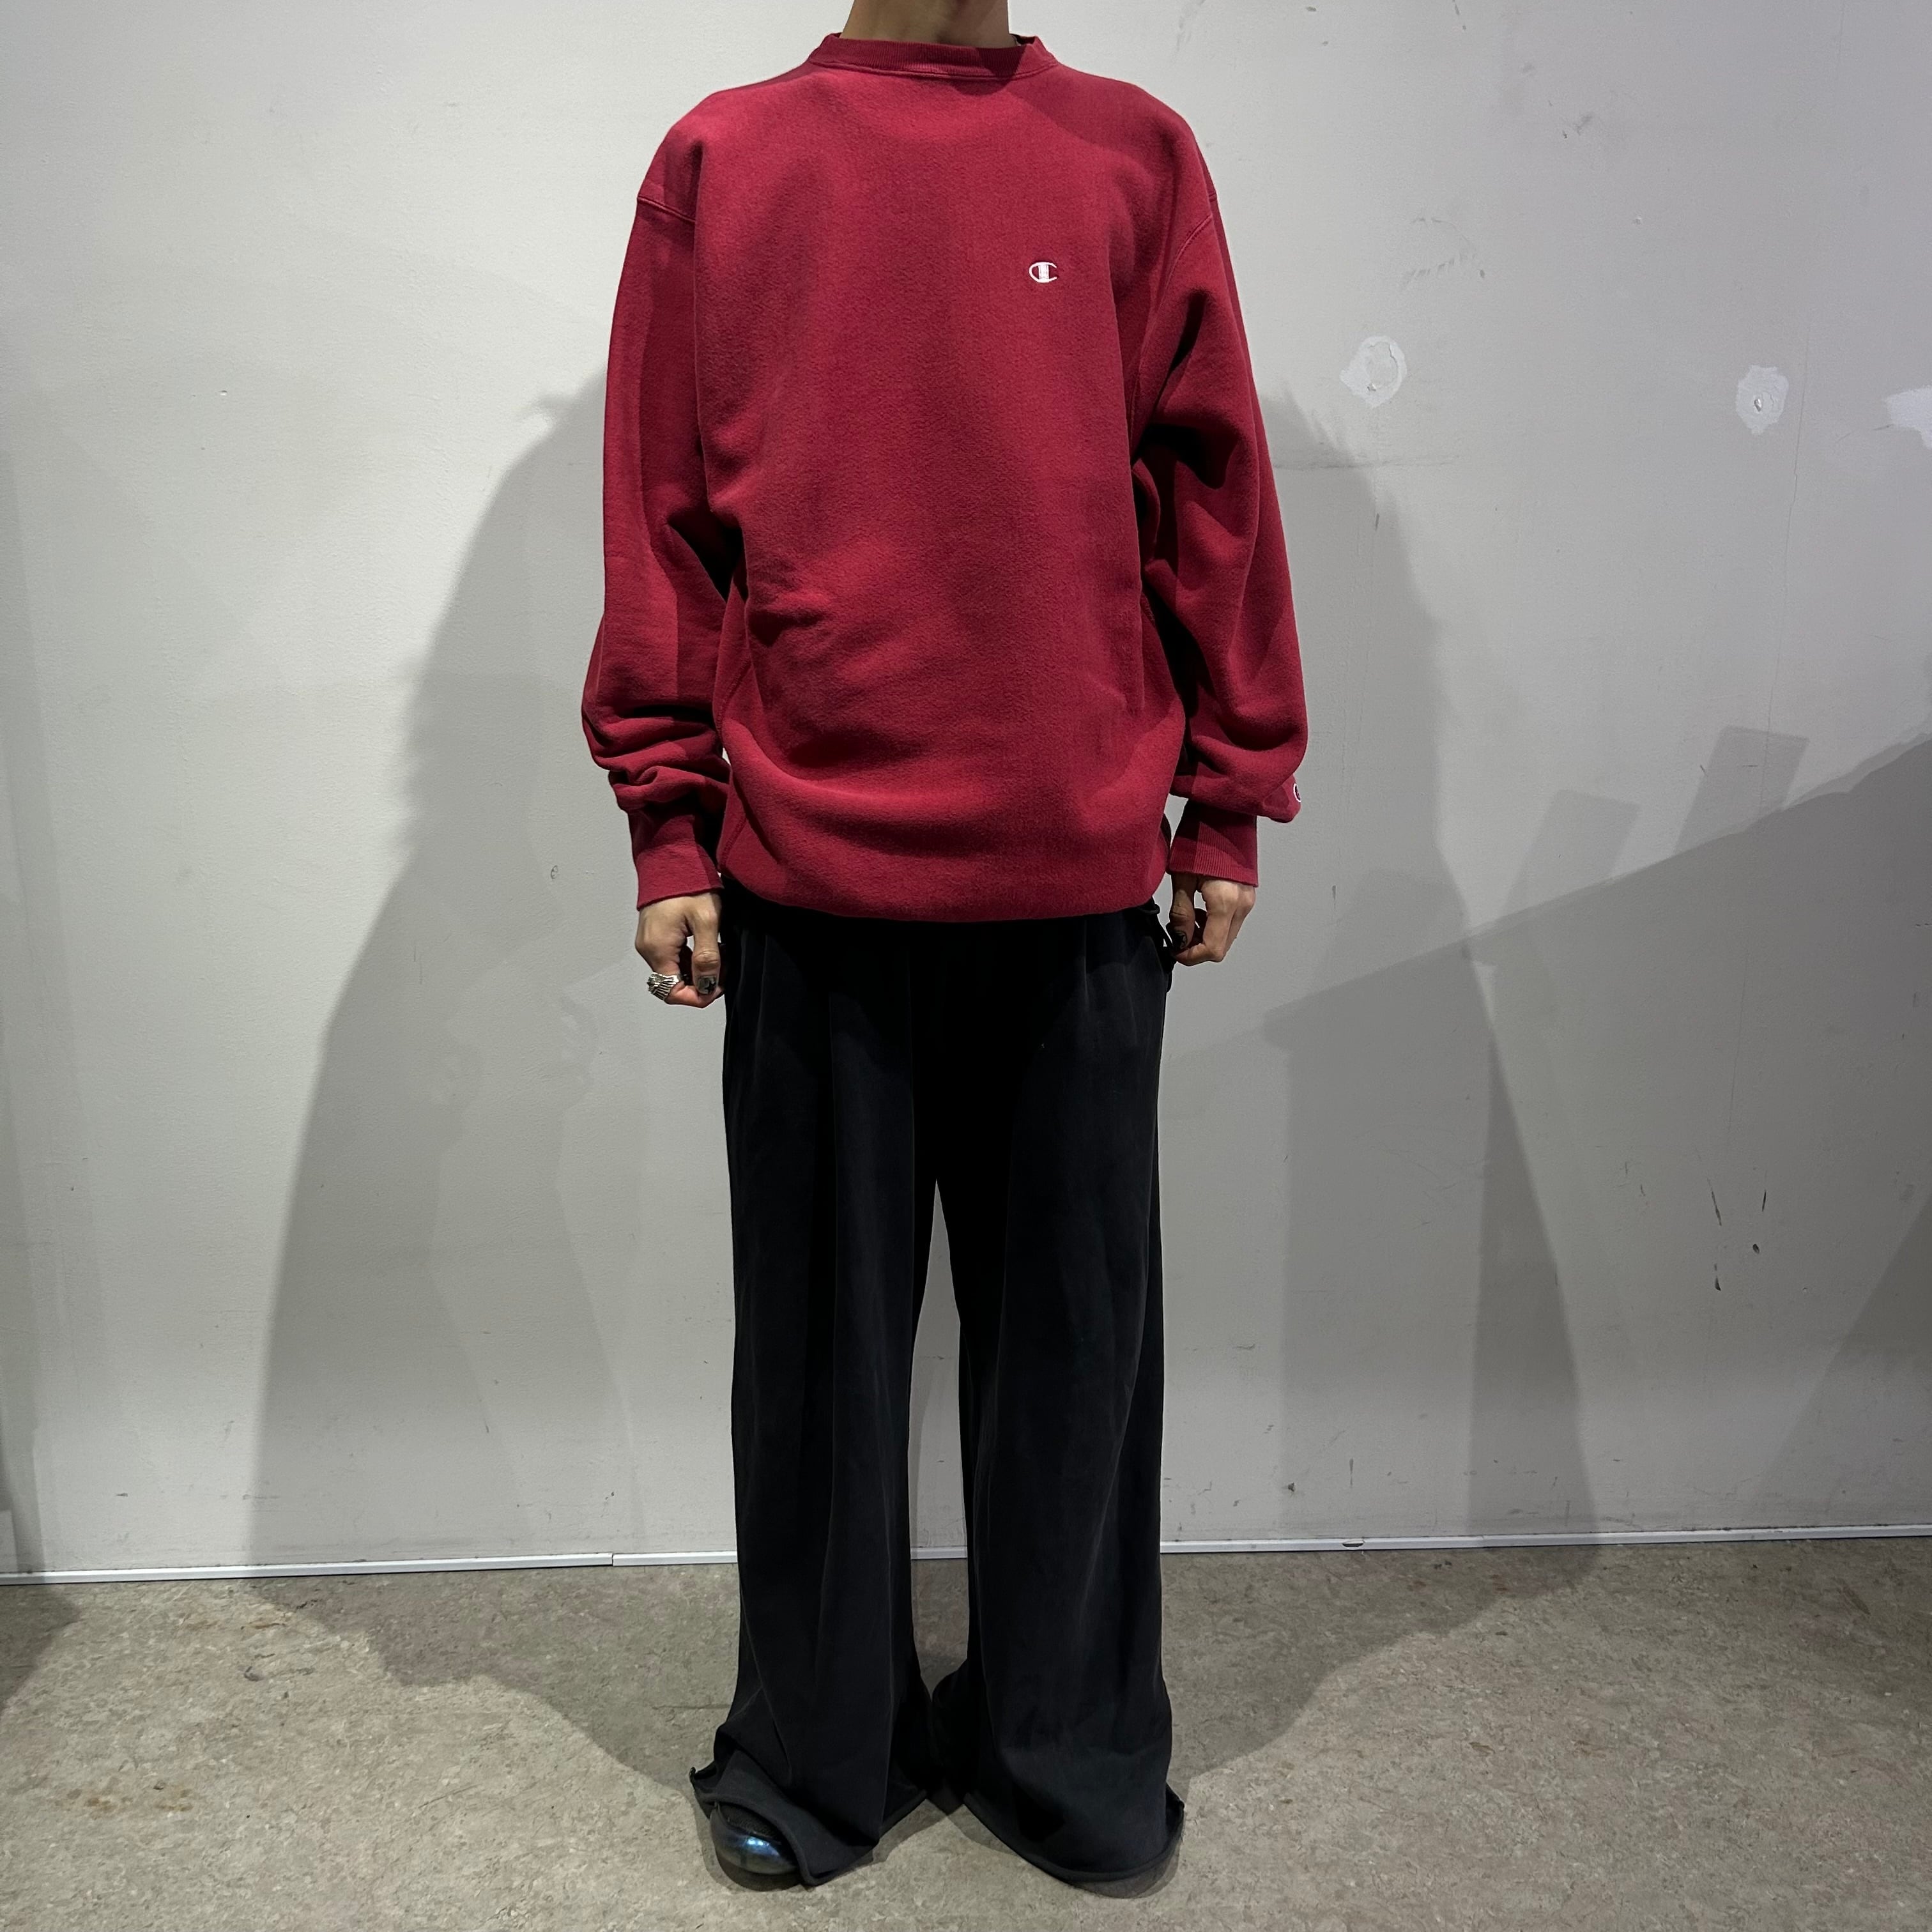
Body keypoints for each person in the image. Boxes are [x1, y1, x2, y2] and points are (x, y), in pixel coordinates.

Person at [580, 0, 1308, 1892]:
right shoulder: (727, 159)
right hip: (809, 870)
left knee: (1076, 1360)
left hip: (1077, 874)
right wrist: (668, 817)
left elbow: (1215, 483)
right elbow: (663, 512)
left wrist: (1229, 792)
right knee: (816, 1366)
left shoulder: (1132, 153)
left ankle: (1069, 1746)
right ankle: (818, 1750)